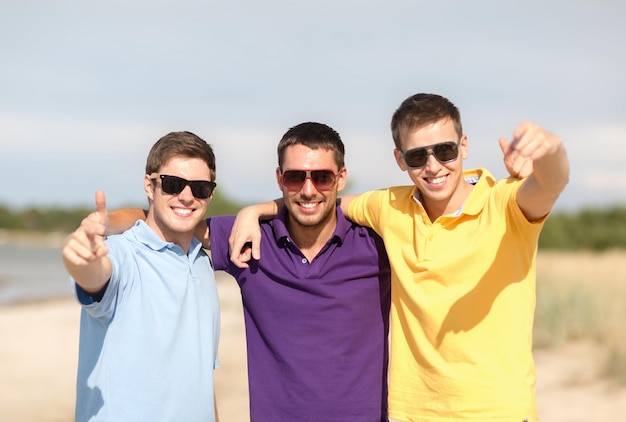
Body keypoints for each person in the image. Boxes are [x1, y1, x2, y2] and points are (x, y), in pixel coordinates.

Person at [230, 93, 569, 421]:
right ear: (400, 159)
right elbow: (318, 200)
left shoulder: (506, 203)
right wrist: (255, 210)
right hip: (411, 412)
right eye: (418, 156)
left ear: (464, 146)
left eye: (446, 151)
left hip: (496, 412)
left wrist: (551, 152)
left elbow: (550, 184)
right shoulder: (391, 206)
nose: (434, 166)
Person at [108, 122, 392, 422]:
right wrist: (100, 223)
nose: (309, 190)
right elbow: (166, 217)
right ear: (280, 178)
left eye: (322, 177)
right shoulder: (251, 240)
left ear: (341, 178)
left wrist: (256, 208)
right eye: (296, 178)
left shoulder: (377, 243)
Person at [62, 131, 221, 422]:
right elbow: (98, 278)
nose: (186, 197)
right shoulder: (123, 253)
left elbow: (201, 378)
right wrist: (82, 263)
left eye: (199, 188)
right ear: (150, 185)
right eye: (173, 184)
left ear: (210, 194)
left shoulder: (202, 262)